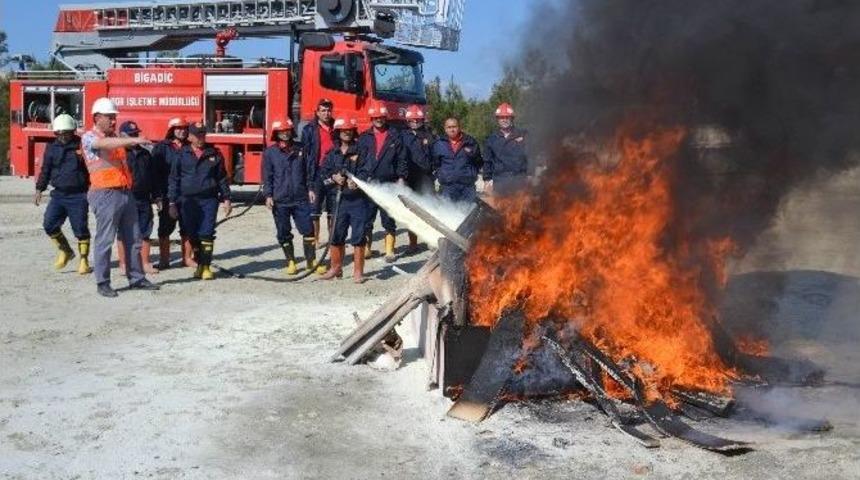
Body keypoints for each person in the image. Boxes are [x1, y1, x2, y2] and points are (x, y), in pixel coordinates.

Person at [81, 97, 160, 297]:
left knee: (134, 238)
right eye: (110, 117)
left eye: (114, 117)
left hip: (125, 192)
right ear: (97, 117)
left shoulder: (114, 137)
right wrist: (133, 139)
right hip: (105, 193)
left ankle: (136, 278)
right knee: (105, 240)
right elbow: (102, 144)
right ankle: (103, 282)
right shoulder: (89, 137)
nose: (114, 121)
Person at [167, 122, 232, 280]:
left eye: (203, 134)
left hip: (208, 200)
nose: (201, 138)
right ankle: (200, 265)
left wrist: (226, 198)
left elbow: (222, 178)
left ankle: (206, 267)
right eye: (197, 135)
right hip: (187, 201)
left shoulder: (214, 153)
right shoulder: (182, 154)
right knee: (192, 233)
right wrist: (172, 202)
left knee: (207, 233)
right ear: (189, 136)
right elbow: (174, 179)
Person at [262, 118, 325, 275]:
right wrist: (268, 195)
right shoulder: (270, 153)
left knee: (308, 230)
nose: (285, 134)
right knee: (283, 232)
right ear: (276, 134)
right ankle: (291, 262)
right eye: (282, 132)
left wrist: (311, 188)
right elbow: (267, 176)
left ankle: (311, 262)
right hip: (280, 200)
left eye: (287, 131)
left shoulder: (300, 149)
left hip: (300, 198)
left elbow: (308, 171)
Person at [34, 114, 92, 275]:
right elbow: (45, 169)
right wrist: (39, 188)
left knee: (80, 229)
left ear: (73, 131)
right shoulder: (51, 148)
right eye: (58, 133)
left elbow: (92, 168)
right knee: (49, 224)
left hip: (79, 195)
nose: (62, 136)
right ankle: (65, 251)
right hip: (58, 195)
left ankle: (83, 261)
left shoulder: (82, 146)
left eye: (66, 132)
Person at [319, 117, 369, 283]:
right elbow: (323, 174)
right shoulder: (332, 153)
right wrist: (334, 177)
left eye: (349, 130)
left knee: (358, 235)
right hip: (338, 200)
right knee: (336, 234)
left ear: (354, 132)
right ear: (338, 132)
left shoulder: (362, 151)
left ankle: (357, 272)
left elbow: (368, 171)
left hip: (358, 202)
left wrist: (357, 181)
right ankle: (335, 268)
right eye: (343, 130)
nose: (346, 133)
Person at [358, 101, 407, 263]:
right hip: (370, 184)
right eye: (376, 117)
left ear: (385, 117)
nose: (379, 119)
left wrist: (401, 177)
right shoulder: (364, 138)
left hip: (388, 184)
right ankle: (367, 249)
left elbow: (402, 159)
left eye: (381, 117)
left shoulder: (395, 136)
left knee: (388, 218)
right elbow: (359, 160)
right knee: (367, 217)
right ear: (371, 118)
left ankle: (389, 251)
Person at [116, 120, 159, 275]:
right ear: (121, 136)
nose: (134, 137)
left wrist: (157, 197)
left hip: (143, 198)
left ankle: (145, 262)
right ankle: (123, 264)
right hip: (125, 196)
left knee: (145, 230)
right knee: (123, 232)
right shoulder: (118, 154)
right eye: (131, 135)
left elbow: (153, 177)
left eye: (136, 134)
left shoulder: (145, 153)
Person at [152, 117, 194, 269]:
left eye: (184, 128)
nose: (182, 131)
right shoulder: (162, 147)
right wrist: (156, 195)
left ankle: (187, 258)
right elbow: (154, 173)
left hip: (186, 193)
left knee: (187, 225)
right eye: (178, 128)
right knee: (165, 227)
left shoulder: (190, 147)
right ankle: (164, 260)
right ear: (172, 130)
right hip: (166, 193)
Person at [300, 99, 336, 246]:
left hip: (333, 172)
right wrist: (308, 182)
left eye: (328, 110)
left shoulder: (337, 128)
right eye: (323, 111)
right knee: (314, 210)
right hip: (316, 172)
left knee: (333, 209)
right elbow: (306, 156)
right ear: (317, 112)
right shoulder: (309, 130)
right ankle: (316, 239)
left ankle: (333, 239)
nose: (326, 113)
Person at [401, 104, 436, 252]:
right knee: (411, 211)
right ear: (407, 121)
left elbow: (436, 156)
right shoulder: (402, 136)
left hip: (426, 178)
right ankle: (413, 243)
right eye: (412, 120)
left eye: (417, 120)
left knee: (429, 208)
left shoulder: (430, 136)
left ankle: (431, 240)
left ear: (422, 120)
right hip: (410, 178)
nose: (415, 122)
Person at [430, 117, 484, 203]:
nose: (452, 129)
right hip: (447, 188)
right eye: (449, 127)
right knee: (448, 214)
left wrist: (470, 173)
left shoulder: (470, 142)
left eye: (454, 127)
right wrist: (442, 175)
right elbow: (436, 163)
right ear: (445, 129)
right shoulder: (438, 144)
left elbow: (478, 161)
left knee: (469, 213)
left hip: (467, 188)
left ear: (459, 127)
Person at [484, 103, 530, 196]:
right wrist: (486, 180)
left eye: (507, 117)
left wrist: (531, 174)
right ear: (497, 119)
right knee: (500, 209)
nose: (504, 120)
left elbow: (531, 155)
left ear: (512, 118)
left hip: (519, 180)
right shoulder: (491, 139)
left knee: (520, 208)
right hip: (500, 181)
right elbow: (487, 161)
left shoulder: (523, 134)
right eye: (501, 117)